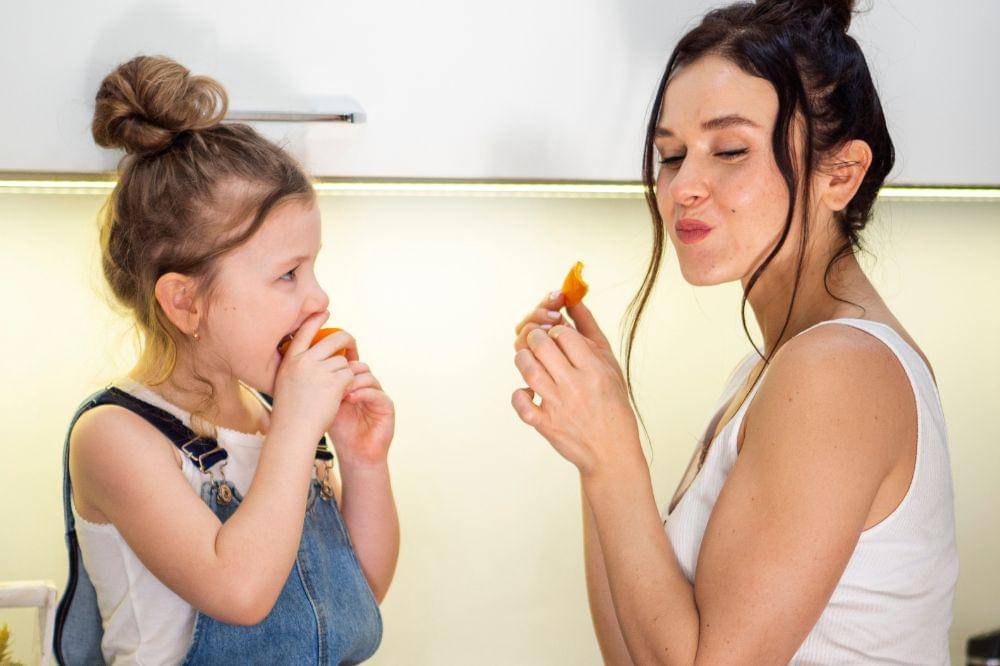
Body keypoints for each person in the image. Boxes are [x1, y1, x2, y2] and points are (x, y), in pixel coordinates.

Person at [512, 1, 957, 662]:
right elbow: (637, 652)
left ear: (842, 173)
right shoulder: (768, 369)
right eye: (669, 155)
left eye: (729, 150)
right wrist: (592, 449)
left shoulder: (837, 370)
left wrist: (614, 454)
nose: (683, 185)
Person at [53, 55, 398, 665]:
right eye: (288, 274)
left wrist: (362, 460)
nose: (319, 298)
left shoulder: (276, 420)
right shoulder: (115, 437)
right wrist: (295, 427)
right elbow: (238, 591)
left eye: (313, 267)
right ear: (186, 301)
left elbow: (356, 596)